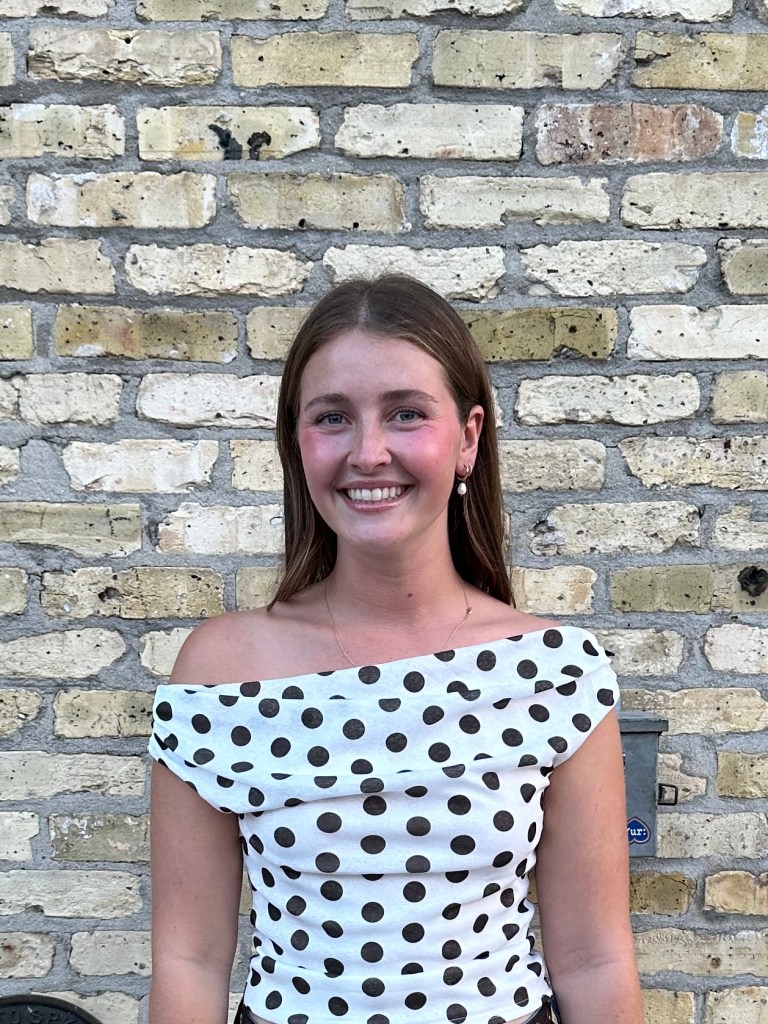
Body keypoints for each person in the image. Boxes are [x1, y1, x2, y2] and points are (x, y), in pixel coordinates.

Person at [148, 274, 643, 1024]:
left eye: (406, 413)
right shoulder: (220, 674)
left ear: (468, 438)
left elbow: (595, 960)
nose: (369, 452)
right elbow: (190, 959)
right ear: (296, 443)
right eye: (332, 418)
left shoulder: (555, 672)